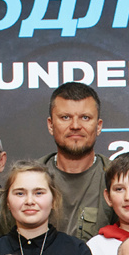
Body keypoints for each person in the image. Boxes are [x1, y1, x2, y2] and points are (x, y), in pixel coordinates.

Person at [44, 82, 111, 241]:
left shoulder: (117, 178)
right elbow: (2, 248)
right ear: (51, 125)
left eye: (85, 117)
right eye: (65, 117)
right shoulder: (28, 180)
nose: (75, 126)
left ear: (98, 126)